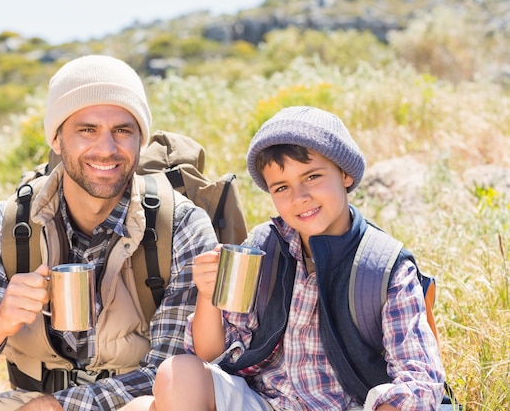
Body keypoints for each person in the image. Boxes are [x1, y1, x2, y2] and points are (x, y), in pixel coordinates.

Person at [0, 55, 218, 411]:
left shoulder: (180, 225)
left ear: (139, 139)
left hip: (135, 405)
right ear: (57, 140)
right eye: (86, 130)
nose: (106, 149)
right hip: (27, 404)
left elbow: (177, 377)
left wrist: (60, 406)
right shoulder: (9, 223)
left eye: (123, 130)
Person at [121, 106, 446, 411]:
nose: (299, 197)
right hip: (268, 401)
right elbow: (211, 354)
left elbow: (419, 379)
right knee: (178, 372)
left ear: (345, 174)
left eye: (312, 177)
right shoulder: (265, 247)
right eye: (281, 187)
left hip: (348, 403)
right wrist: (209, 295)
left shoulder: (383, 266)